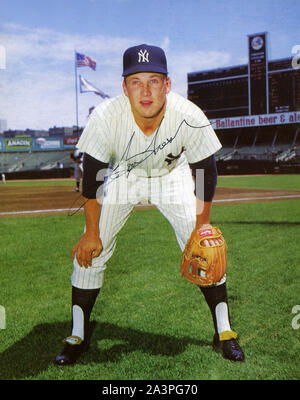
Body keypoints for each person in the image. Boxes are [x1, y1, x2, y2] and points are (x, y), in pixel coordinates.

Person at [55, 44, 244, 366]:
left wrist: (202, 227)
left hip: (174, 176)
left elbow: (204, 171)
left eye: (154, 81)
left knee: (207, 250)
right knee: (90, 252)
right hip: (125, 175)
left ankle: (224, 332)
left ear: (167, 85)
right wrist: (90, 232)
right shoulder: (105, 116)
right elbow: (93, 176)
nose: (145, 91)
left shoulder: (188, 114)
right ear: (124, 86)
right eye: (136, 81)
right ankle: (78, 335)